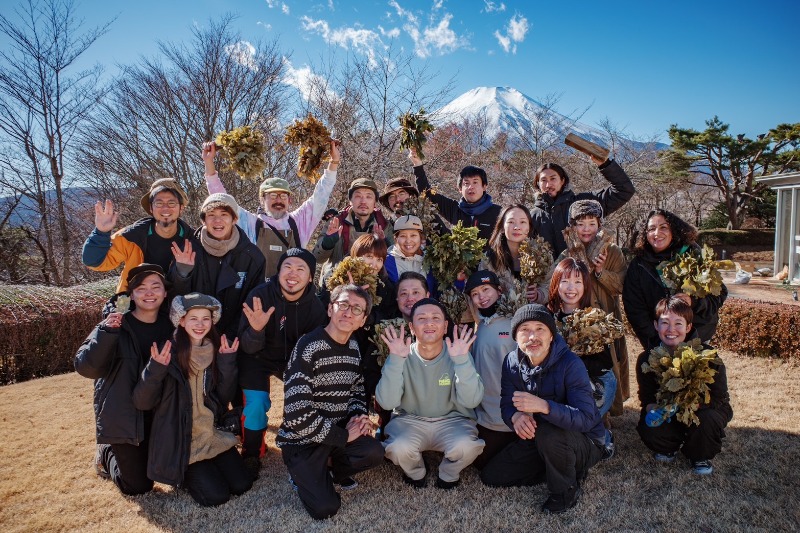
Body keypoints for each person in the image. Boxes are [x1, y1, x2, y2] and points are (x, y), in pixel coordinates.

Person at [480, 304, 608, 515]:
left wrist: (545, 406)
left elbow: (586, 418)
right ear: (515, 336)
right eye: (525, 330)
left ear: (551, 335)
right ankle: (556, 466)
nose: (532, 336)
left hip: (584, 440)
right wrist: (515, 417)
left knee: (549, 433)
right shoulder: (511, 362)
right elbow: (506, 402)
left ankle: (566, 490)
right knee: (493, 476)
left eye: (540, 329)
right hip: (540, 438)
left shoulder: (571, 364)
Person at [132, 293, 253, 506]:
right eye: (193, 318)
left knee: (243, 484)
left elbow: (223, 398)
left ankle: (213, 466)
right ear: (181, 320)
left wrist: (227, 362)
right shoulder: (167, 352)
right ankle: (187, 476)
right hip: (182, 441)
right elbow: (142, 402)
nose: (200, 324)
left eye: (205, 318)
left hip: (210, 433)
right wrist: (155, 369)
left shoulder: (214, 349)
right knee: (217, 496)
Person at [277, 284, 385, 520]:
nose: (348, 312)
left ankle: (330, 469)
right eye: (343, 305)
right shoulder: (308, 346)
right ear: (329, 309)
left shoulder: (354, 347)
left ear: (362, 320)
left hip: (335, 434)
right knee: (325, 508)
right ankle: (303, 474)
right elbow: (297, 413)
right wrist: (344, 436)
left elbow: (357, 388)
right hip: (301, 441)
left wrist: (359, 417)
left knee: (374, 451)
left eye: (357, 309)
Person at [74, 264, 174, 496]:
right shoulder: (115, 322)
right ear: (131, 294)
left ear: (165, 293)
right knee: (138, 486)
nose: (149, 293)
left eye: (155, 287)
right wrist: (107, 334)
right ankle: (106, 452)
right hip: (124, 414)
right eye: (140, 288)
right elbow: (86, 367)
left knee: (170, 469)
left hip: (158, 412)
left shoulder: (172, 324)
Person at [236, 248, 327, 476]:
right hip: (257, 356)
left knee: (307, 396)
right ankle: (251, 453)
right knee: (256, 403)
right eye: (287, 267)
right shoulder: (260, 296)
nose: (292, 273)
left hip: (292, 360)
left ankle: (307, 444)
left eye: (300, 269)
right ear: (278, 272)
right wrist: (256, 330)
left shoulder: (315, 308)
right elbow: (246, 346)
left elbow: (313, 351)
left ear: (309, 277)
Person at [376, 298, 485, 489]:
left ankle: (449, 473)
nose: (429, 323)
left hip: (453, 421)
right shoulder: (401, 354)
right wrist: (395, 360)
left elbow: (472, 400)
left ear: (444, 327)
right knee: (398, 448)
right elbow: (386, 402)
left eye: (435, 318)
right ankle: (416, 471)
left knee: (467, 447)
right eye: (422, 318)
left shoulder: (458, 353)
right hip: (410, 421)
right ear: (411, 327)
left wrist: (461, 361)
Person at [537, 200, 629, 416]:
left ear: (599, 225)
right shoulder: (567, 253)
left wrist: (599, 272)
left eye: (592, 223)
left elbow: (622, 285)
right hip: (574, 319)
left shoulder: (612, 251)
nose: (586, 229)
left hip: (603, 317)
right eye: (581, 224)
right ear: (572, 226)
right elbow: (552, 283)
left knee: (607, 364)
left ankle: (606, 411)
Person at [202, 139, 340, 278]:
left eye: (283, 196)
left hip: (291, 294)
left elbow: (322, 194)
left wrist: (333, 162)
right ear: (262, 199)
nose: (278, 200)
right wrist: (209, 163)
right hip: (257, 294)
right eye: (273, 195)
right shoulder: (250, 223)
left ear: (289, 200)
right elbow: (221, 199)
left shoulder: (299, 222)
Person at [636, 295, 733, 475]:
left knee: (708, 420)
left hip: (703, 410)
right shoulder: (646, 358)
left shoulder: (708, 355)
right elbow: (646, 398)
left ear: (688, 327)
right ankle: (668, 445)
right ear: (656, 325)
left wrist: (688, 405)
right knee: (649, 426)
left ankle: (699, 455)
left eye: (678, 323)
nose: (671, 329)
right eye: (664, 323)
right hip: (669, 411)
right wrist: (656, 411)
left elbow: (719, 397)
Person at [623, 209, 728, 349]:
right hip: (659, 342)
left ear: (674, 230)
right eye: (651, 229)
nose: (656, 233)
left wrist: (694, 302)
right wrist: (654, 342)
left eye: (663, 227)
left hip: (698, 336)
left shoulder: (693, 254)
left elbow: (719, 294)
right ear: (644, 234)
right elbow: (635, 310)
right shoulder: (639, 265)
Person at [171, 193, 265, 340]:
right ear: (203, 220)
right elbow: (177, 299)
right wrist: (182, 274)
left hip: (232, 339)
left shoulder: (252, 257)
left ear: (234, 219)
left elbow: (252, 303)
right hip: (192, 337)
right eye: (211, 215)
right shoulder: (188, 249)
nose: (217, 220)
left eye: (224, 214)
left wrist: (230, 337)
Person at [82, 179, 195, 293]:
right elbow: (94, 262)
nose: (165, 208)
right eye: (159, 203)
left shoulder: (194, 240)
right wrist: (101, 233)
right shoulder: (131, 237)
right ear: (151, 208)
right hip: (134, 304)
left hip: (177, 304)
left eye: (171, 203)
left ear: (181, 208)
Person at [547, 258, 617, 419]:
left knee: (577, 422)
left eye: (578, 281)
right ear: (556, 284)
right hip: (556, 381)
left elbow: (605, 364)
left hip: (592, 381)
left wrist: (573, 362)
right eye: (565, 281)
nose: (571, 288)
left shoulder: (593, 318)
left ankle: (598, 435)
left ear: (585, 285)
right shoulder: (547, 316)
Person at [464, 270, 519, 469]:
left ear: (499, 290)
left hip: (511, 417)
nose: (482, 297)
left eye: (486, 289)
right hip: (486, 418)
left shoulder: (514, 323)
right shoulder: (480, 327)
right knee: (480, 463)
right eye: (475, 294)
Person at [530, 157, 635, 258]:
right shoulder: (532, 216)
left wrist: (605, 164)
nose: (548, 184)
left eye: (553, 178)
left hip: (586, 274)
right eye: (543, 180)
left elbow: (624, 191)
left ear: (562, 181)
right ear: (538, 184)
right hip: (550, 275)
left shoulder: (583, 203)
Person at [314, 177, 394, 284]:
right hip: (335, 283)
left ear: (375, 201)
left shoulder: (383, 225)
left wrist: (384, 244)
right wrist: (327, 244)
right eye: (358, 196)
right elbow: (317, 258)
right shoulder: (336, 222)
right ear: (350, 200)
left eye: (368, 197)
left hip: (371, 285)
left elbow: (393, 260)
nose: (363, 201)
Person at [409, 150, 501, 242]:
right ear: (460, 189)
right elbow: (428, 194)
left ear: (484, 186)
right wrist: (418, 165)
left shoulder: (499, 213)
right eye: (466, 183)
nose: (470, 187)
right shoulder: (454, 209)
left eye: (475, 182)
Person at [480, 204, 539, 301]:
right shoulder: (489, 259)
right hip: (500, 313)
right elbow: (482, 287)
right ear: (502, 227)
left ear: (529, 227)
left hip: (533, 313)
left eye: (523, 222)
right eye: (511, 222)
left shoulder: (540, 254)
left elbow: (548, 283)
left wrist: (539, 294)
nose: (517, 227)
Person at [378, 177, 449, 236]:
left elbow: (448, 242)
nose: (397, 199)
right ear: (388, 203)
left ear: (411, 196)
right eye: (392, 197)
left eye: (401, 194)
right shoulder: (385, 227)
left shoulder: (429, 219)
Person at [383, 215, 436, 291]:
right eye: (403, 236)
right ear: (395, 239)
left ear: (421, 238)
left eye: (413, 235)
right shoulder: (386, 261)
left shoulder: (432, 260)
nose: (408, 241)